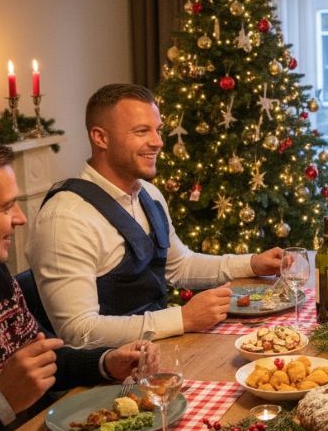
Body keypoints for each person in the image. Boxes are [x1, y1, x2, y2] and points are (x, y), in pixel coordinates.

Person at [27, 84, 283, 349]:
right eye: (141, 131)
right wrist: (182, 318)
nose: (158, 142)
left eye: (157, 130)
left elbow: (179, 265)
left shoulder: (149, 193)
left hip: (160, 350)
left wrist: (252, 264)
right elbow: (79, 331)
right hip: (109, 376)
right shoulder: (65, 219)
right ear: (100, 138)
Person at [0, 138, 155, 431]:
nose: (20, 217)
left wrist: (106, 362)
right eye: (4, 207)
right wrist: (1, 401)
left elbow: (44, 360)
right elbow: (17, 388)